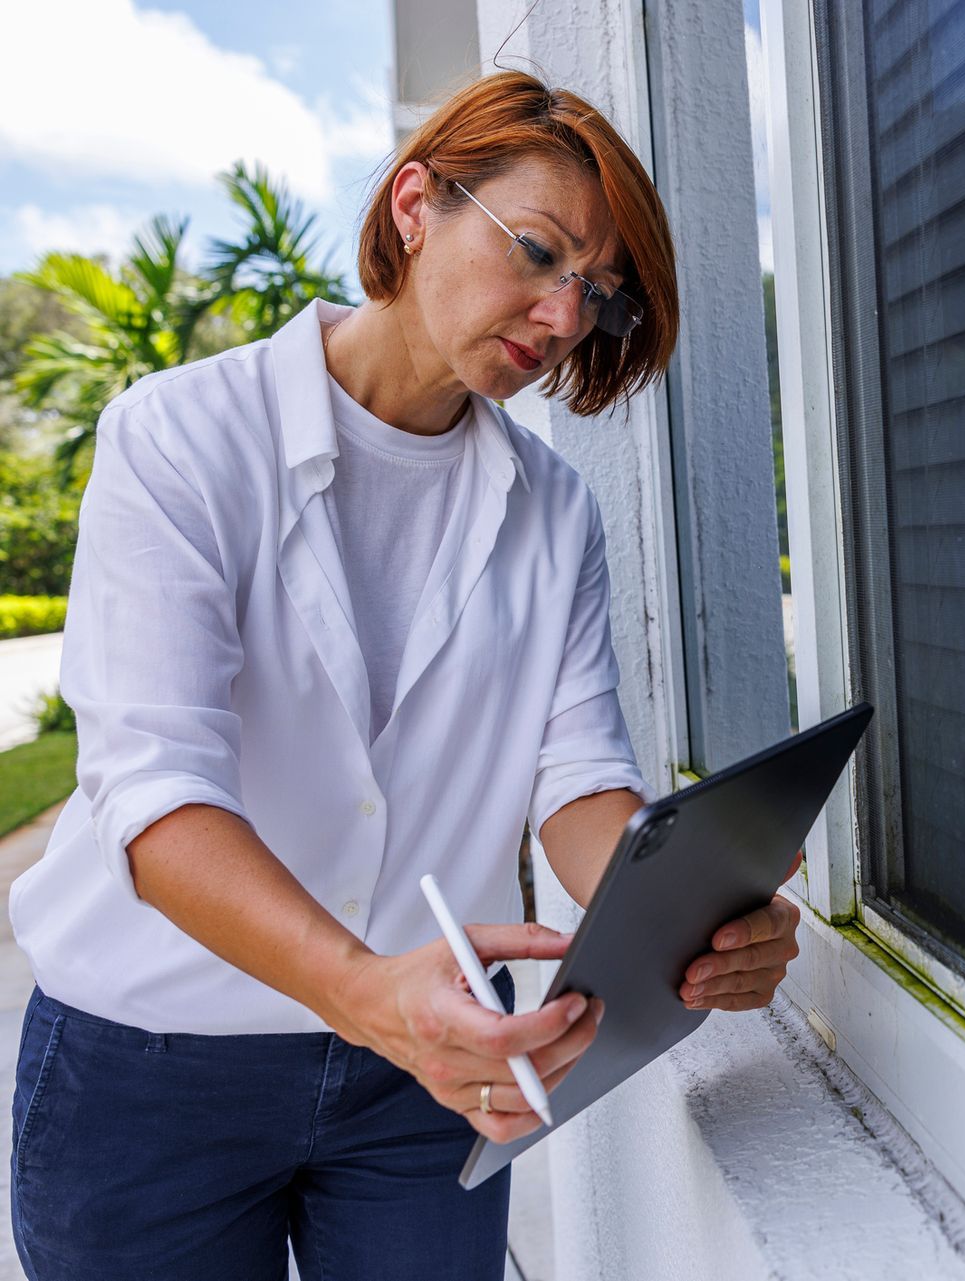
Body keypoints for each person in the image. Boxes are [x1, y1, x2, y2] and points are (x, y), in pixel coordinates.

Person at [5, 71, 803, 1279]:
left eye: (595, 293)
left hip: (420, 1083)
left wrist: (689, 905)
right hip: (155, 1066)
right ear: (418, 201)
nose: (562, 316)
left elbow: (578, 779)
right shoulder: (179, 440)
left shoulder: (553, 516)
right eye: (537, 253)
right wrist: (364, 992)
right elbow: (156, 799)